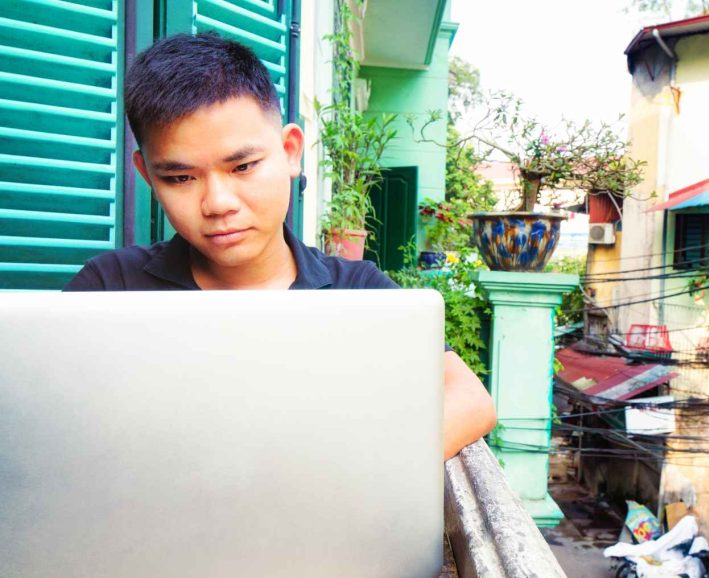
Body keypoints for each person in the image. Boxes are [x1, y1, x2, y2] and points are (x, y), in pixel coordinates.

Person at [64, 32, 496, 460]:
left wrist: (344, 474)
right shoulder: (109, 287)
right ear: (147, 174)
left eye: (243, 166)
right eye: (180, 178)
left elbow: (470, 401)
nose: (218, 203)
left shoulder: (358, 293)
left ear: (290, 151)